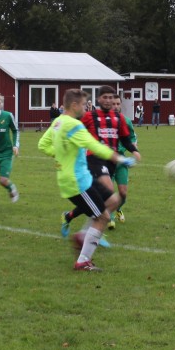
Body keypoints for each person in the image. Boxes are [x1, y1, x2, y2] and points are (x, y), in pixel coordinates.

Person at [38, 88, 136, 271]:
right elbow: (94, 146)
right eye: (83, 104)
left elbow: (42, 144)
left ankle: (83, 235)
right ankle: (83, 260)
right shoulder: (74, 125)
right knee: (103, 217)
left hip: (83, 177)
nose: (86, 107)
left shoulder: (58, 122)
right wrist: (120, 158)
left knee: (114, 200)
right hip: (77, 182)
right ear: (74, 105)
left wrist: (60, 153)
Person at [60, 86, 140, 236]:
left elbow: (125, 138)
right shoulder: (90, 116)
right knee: (108, 191)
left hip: (115, 160)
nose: (110, 101)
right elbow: (75, 128)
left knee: (118, 194)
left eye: (113, 99)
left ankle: (72, 217)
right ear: (99, 99)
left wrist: (135, 151)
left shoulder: (120, 119)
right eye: (106, 97)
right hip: (95, 159)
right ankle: (99, 226)